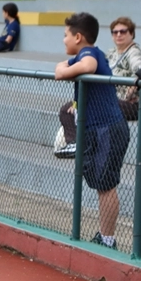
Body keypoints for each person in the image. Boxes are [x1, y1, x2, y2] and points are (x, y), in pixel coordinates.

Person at [53, 13, 130, 250]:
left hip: (108, 128)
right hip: (97, 129)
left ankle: (108, 240)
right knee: (101, 184)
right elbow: (62, 69)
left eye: (66, 35)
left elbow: (86, 66)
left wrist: (64, 68)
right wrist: (64, 67)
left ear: (78, 37)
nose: (64, 40)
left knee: (106, 185)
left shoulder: (89, 53)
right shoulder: (83, 54)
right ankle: (104, 236)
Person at [56, 16, 141, 156]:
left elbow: (140, 68)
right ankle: (74, 143)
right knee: (67, 109)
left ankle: (81, 143)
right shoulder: (110, 53)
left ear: (131, 33)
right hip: (113, 98)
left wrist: (133, 87)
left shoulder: (133, 52)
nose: (118, 35)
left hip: (129, 104)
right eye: (115, 32)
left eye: (123, 31)